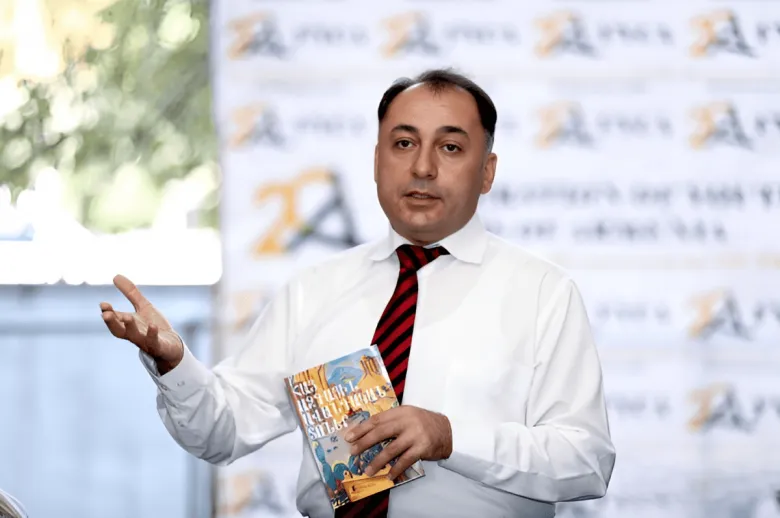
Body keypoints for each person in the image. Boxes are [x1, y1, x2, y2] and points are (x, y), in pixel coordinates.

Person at [100, 68, 615, 518]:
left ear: (487, 171)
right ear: (376, 160)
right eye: (404, 143)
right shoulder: (313, 291)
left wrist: (450, 437)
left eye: (451, 147)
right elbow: (222, 433)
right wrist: (174, 364)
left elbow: (586, 460)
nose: (423, 167)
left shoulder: (543, 292)